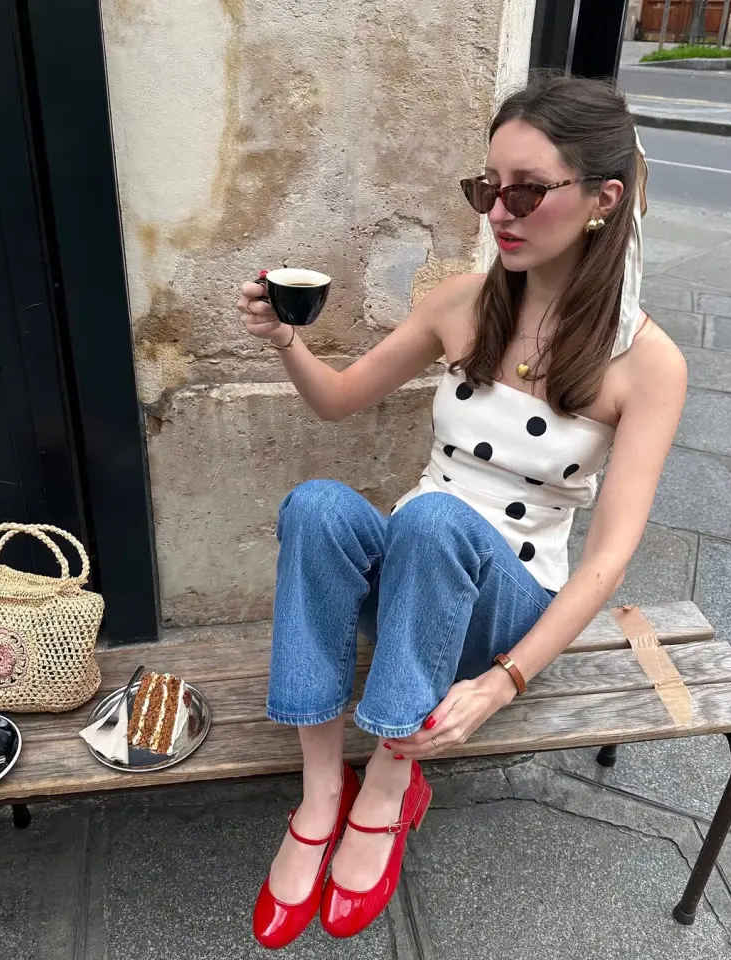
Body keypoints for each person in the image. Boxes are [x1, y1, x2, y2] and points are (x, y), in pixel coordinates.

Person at [236, 74, 687, 948]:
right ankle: (321, 791)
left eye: (526, 190)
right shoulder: (459, 303)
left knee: (438, 522)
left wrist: (503, 680)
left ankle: (390, 783)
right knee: (320, 505)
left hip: (503, 608)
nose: (500, 213)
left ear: (603, 198)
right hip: (411, 574)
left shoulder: (646, 361)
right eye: (487, 189)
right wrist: (285, 339)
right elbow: (337, 402)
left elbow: (607, 559)